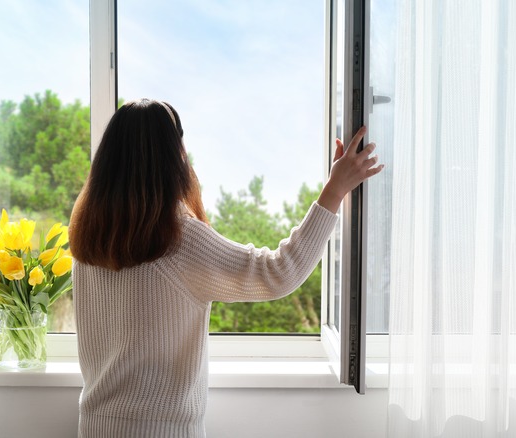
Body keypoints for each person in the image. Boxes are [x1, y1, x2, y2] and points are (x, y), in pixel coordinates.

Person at [68, 98, 383, 437]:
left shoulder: (90, 239)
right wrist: (334, 191)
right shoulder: (178, 239)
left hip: (95, 426)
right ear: (174, 156)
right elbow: (279, 272)